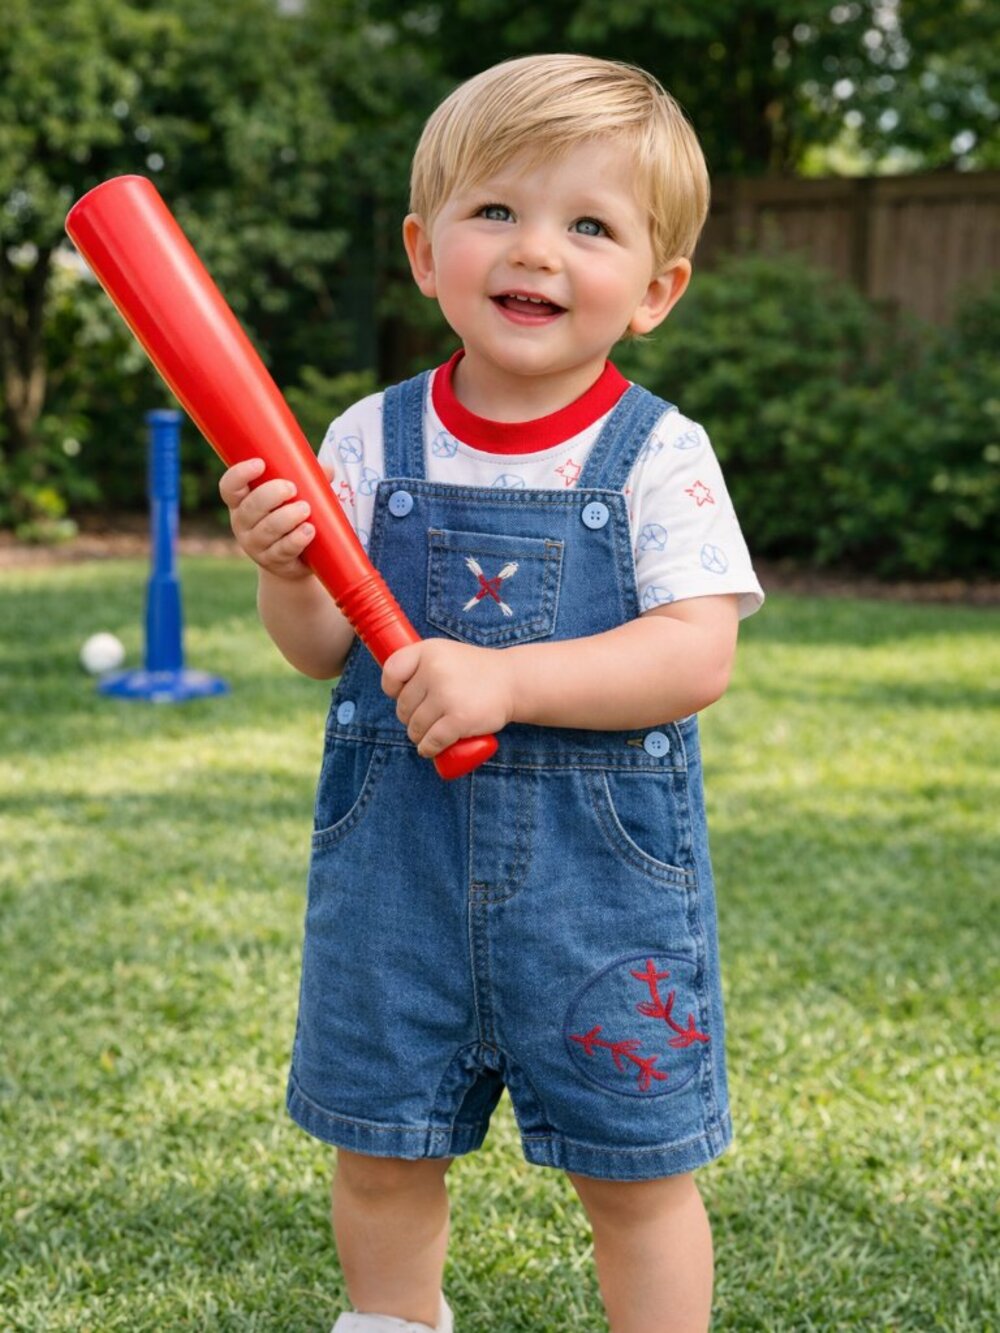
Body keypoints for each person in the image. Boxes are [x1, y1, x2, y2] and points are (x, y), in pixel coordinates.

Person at [220, 53, 763, 1333]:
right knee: (382, 1147)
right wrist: (285, 569)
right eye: (496, 212)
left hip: (598, 890)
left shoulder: (657, 456)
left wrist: (506, 677)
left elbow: (696, 652)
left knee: (634, 1171)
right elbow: (316, 648)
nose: (537, 251)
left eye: (590, 225)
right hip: (393, 879)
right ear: (424, 249)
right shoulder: (364, 440)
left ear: (654, 289)